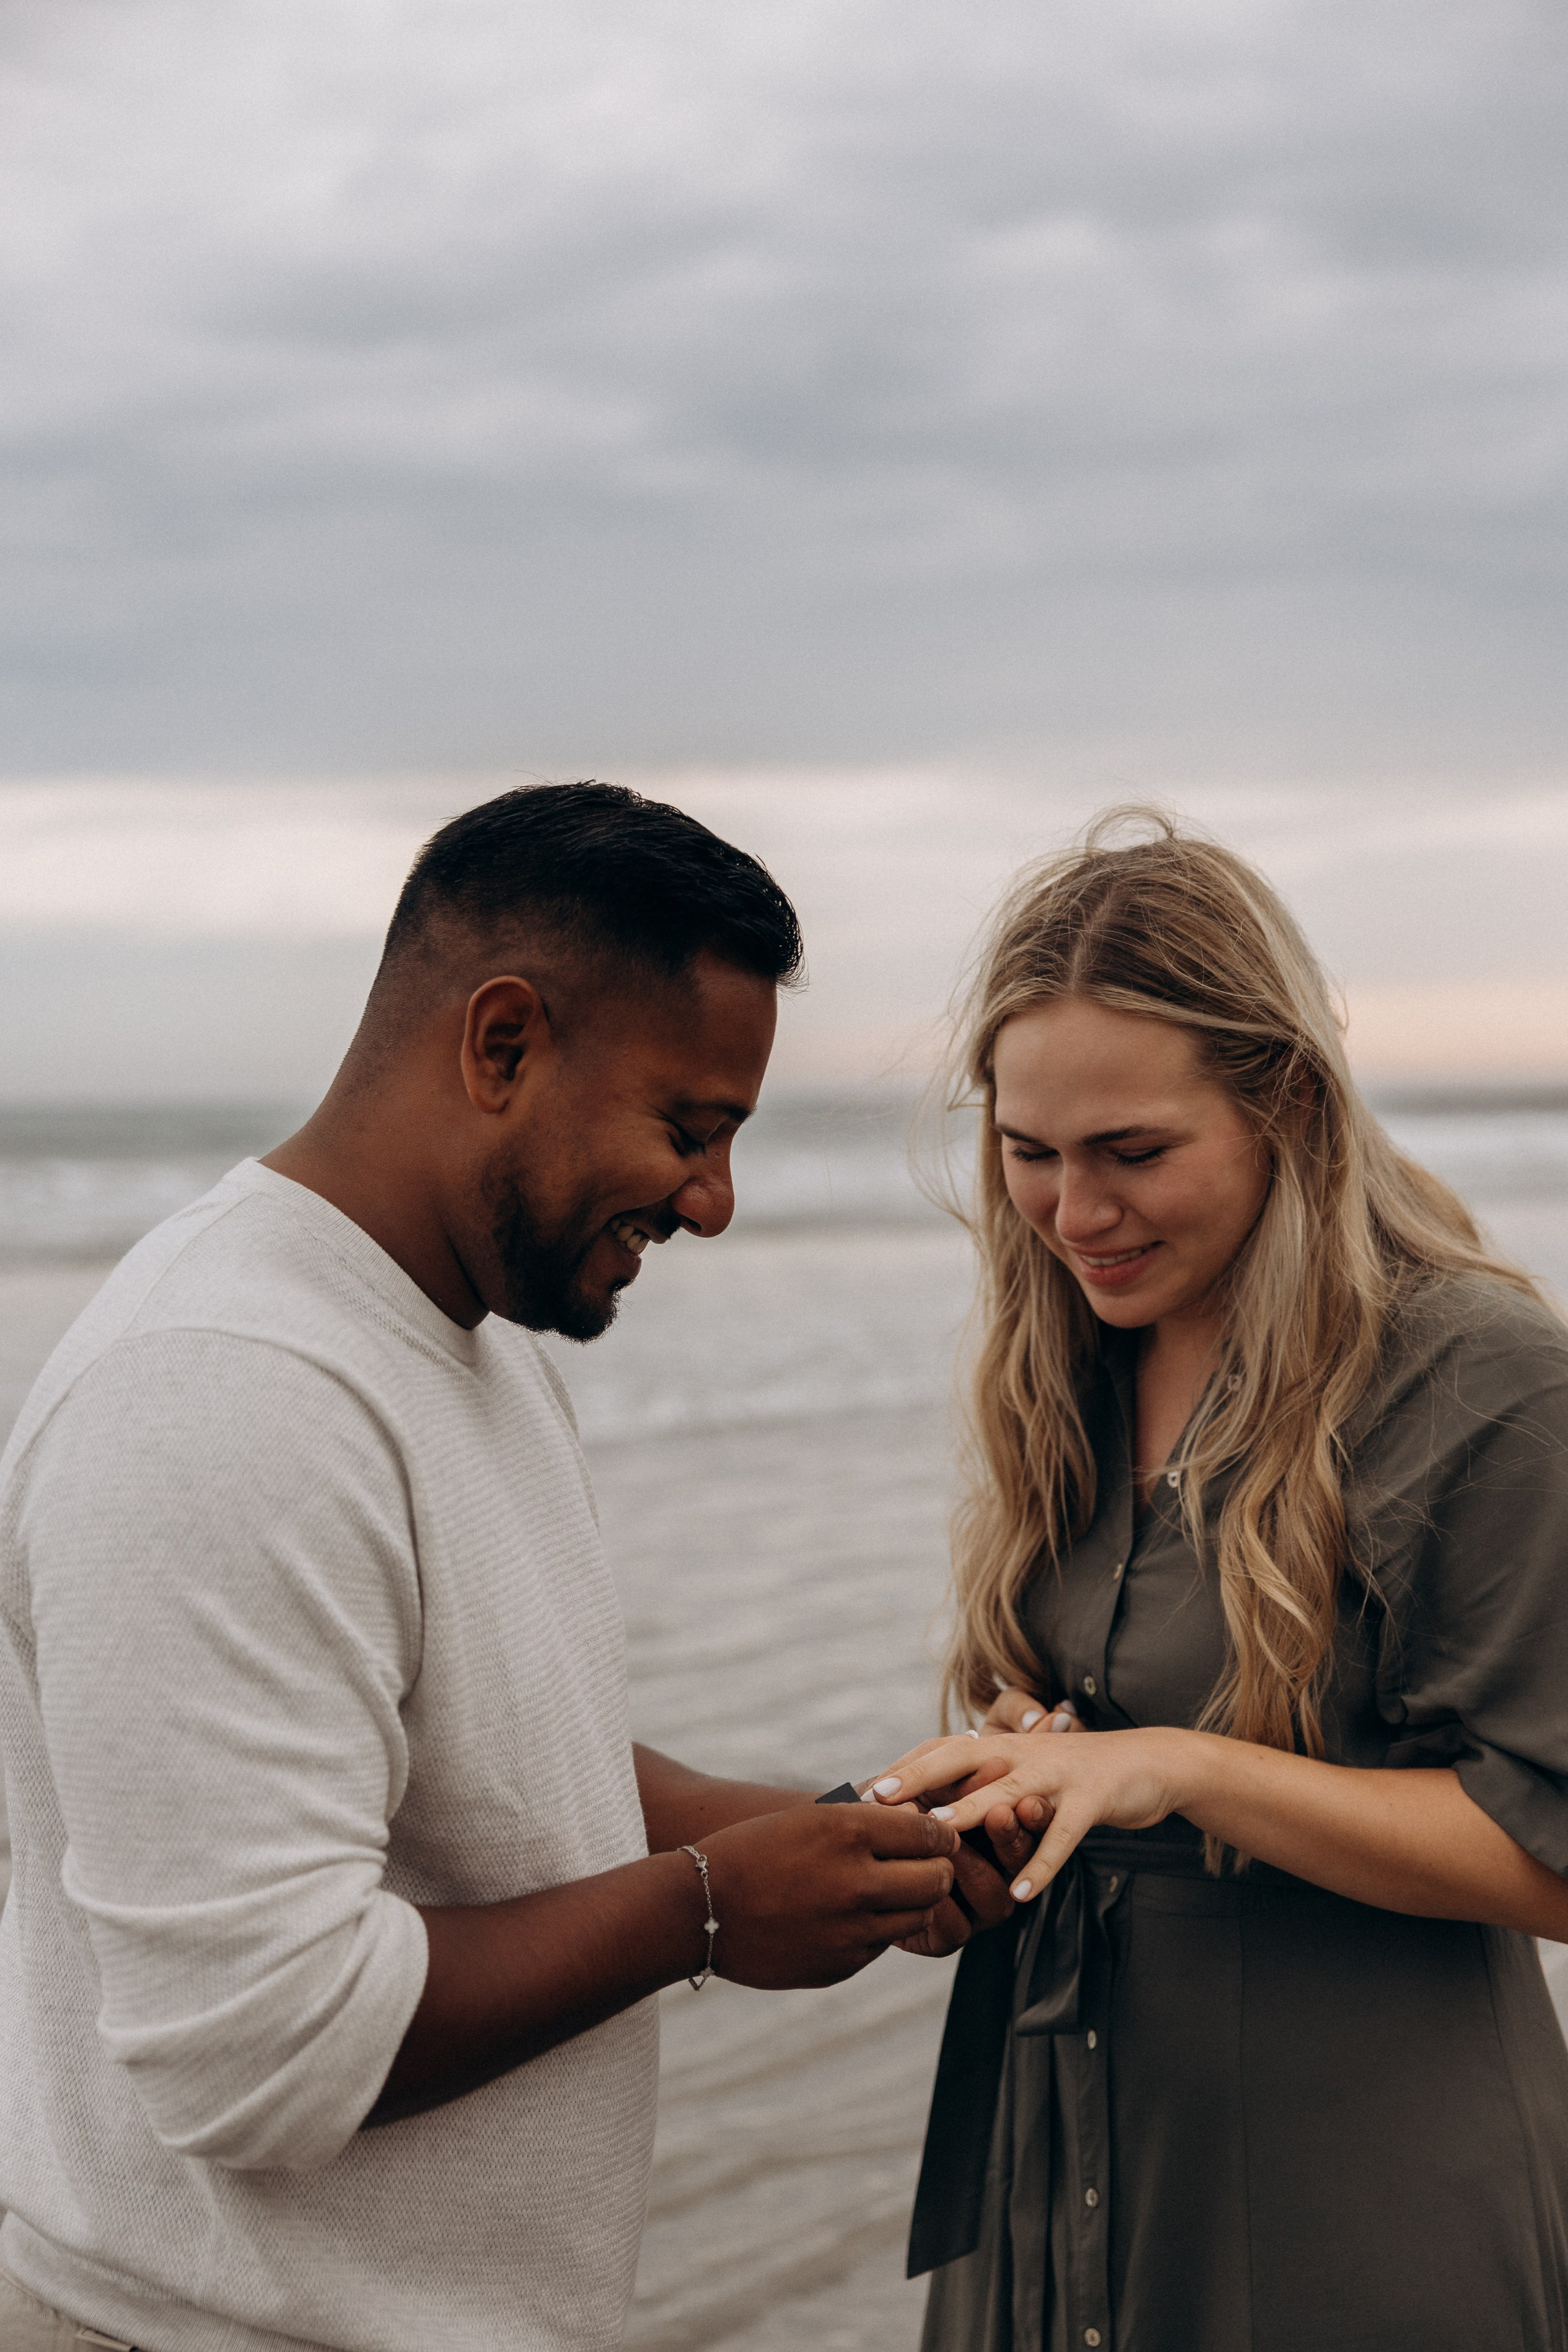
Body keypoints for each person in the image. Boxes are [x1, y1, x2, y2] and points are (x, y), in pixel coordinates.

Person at [0, 783, 1009, 2352]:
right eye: (689, 1130)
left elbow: (496, 1775)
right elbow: (256, 2050)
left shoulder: (465, 1340)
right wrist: (703, 1914)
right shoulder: (220, 1392)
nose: (715, 1204)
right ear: (502, 1044)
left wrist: (849, 1835)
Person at [872, 810, 1568, 2352]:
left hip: (1360, 2198)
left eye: (1132, 1154)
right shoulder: (1058, 1354)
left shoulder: (1479, 1382)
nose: (1072, 1215)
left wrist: (1178, 1768)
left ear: (1293, 1110)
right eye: (1027, 1154)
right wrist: (1026, 1769)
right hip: (1049, 2159)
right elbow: (1096, 1708)